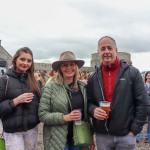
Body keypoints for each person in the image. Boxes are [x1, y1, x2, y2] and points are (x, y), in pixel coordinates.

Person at [87, 36, 149, 150]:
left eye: (109, 48)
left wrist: (134, 130)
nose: (106, 52)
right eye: (103, 48)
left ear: (116, 50)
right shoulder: (93, 77)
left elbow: (143, 103)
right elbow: (89, 102)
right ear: (98, 52)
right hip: (102, 135)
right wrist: (93, 110)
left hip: (126, 135)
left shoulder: (132, 73)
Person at [38, 51, 89, 150]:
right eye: (65, 65)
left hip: (79, 137)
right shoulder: (50, 87)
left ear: (76, 67)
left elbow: (88, 113)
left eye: (72, 64)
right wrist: (65, 117)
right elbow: (42, 115)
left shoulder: (83, 87)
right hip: (57, 138)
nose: (69, 68)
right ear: (60, 68)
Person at [0, 47, 41, 150]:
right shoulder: (4, 80)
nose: (25, 63)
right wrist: (15, 101)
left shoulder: (34, 81)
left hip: (31, 129)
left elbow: (40, 104)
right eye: (22, 59)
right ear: (15, 59)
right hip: (12, 131)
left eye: (29, 61)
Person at [136, 71, 150, 143]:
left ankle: (148, 137)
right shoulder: (143, 85)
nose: (149, 77)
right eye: (148, 76)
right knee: (140, 121)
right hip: (143, 106)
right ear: (146, 77)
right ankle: (137, 137)